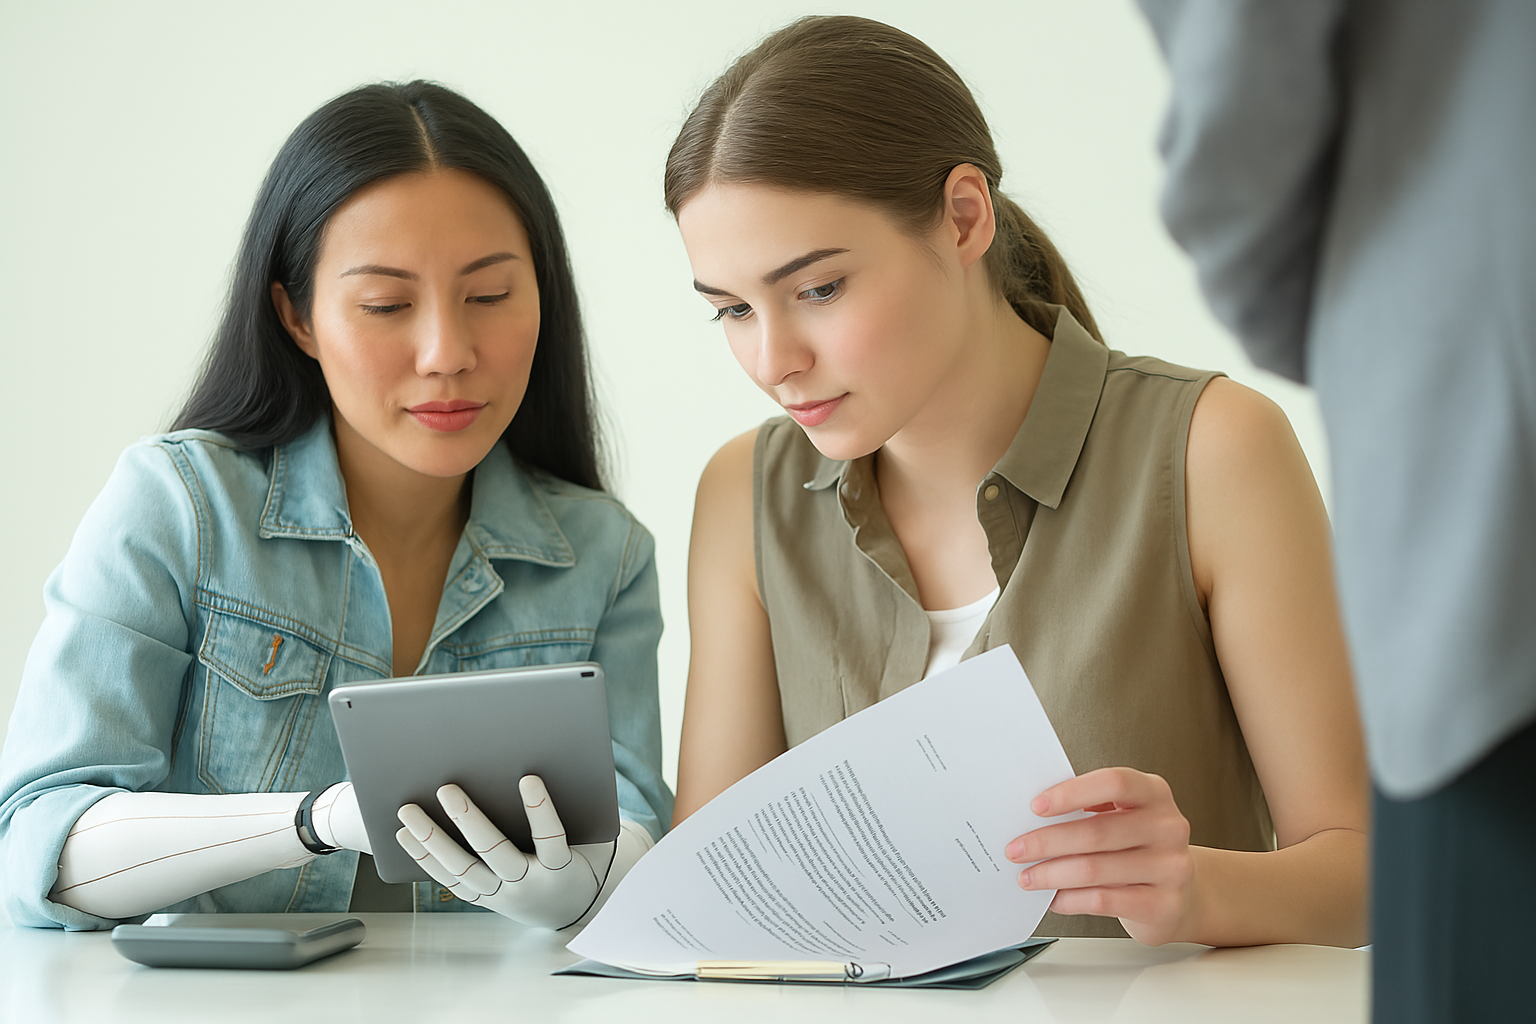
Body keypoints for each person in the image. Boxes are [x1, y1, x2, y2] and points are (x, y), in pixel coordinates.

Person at [665, 16, 1368, 947]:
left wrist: (1196, 890)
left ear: (964, 216)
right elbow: (703, 896)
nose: (773, 360)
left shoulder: (1213, 449)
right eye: (731, 310)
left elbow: (1366, 869)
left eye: (819, 289)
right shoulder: (742, 494)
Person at [0, 81, 670, 930]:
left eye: (491, 297)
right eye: (387, 305)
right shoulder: (180, 505)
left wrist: (590, 885)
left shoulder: (605, 554)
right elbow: (38, 846)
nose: (447, 353)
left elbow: (639, 831)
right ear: (297, 315)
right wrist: (316, 821)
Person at [1135, 0, 1536, 1015]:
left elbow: (1243, 65)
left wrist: (1357, 321)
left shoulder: (1209, 444)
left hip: (1494, 511)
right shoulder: (751, 488)